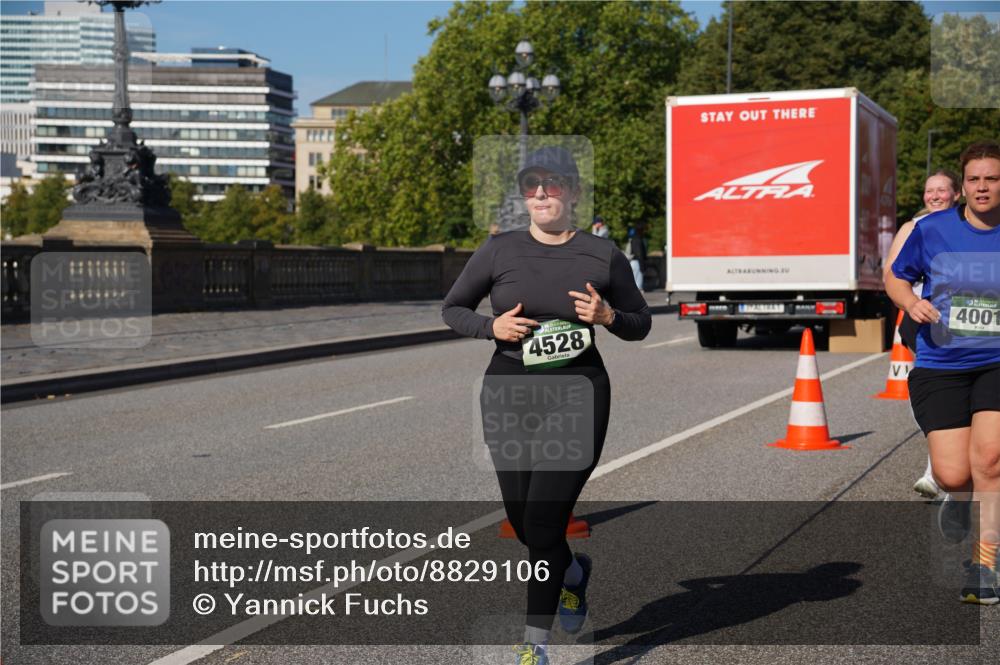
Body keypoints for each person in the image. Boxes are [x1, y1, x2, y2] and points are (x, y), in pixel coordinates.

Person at [442, 145, 652, 663]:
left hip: (578, 395)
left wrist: (608, 317)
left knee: (542, 521)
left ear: (573, 192)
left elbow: (640, 321)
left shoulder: (603, 255)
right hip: (508, 393)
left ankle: (534, 645)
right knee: (522, 520)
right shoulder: (499, 250)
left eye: (552, 184)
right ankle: (573, 572)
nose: (540, 193)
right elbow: (452, 308)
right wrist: (490, 326)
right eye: (531, 184)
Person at [886, 140, 1000, 605]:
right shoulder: (930, 229)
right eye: (974, 179)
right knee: (954, 475)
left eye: (991, 178)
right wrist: (912, 302)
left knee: (990, 460)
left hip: (996, 360)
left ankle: (985, 564)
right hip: (942, 362)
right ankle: (957, 498)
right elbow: (895, 276)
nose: (982, 187)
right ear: (962, 185)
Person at [882, 169, 962, 500]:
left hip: (968, 323)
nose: (934, 196)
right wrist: (913, 301)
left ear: (956, 194)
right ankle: (937, 466)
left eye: (942, 190)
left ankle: (948, 468)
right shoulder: (912, 228)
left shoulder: (970, 225)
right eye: (929, 191)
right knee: (938, 390)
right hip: (922, 320)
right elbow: (891, 274)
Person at [624, 223, 647, 290]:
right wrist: (642, 265)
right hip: (637, 262)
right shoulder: (637, 239)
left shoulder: (634, 238)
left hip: (634, 261)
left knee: (635, 283)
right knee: (637, 285)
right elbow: (639, 253)